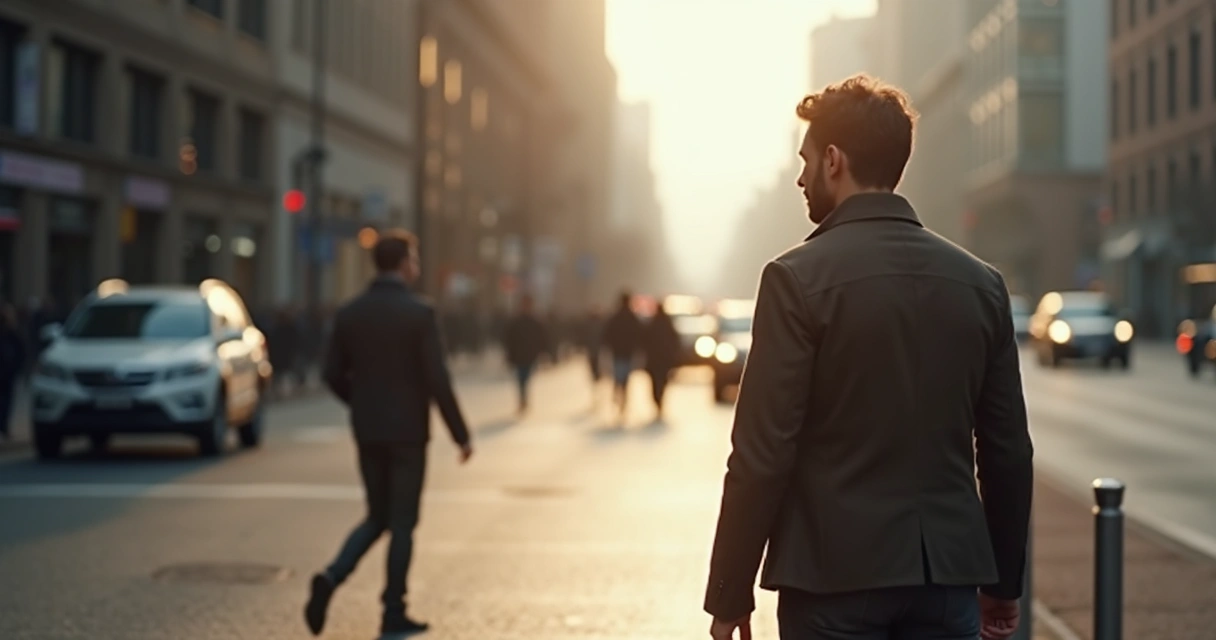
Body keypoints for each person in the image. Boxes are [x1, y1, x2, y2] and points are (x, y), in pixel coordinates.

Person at [704, 74, 1033, 640]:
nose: (801, 177)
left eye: (806, 160)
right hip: (945, 582)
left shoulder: (794, 280)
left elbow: (761, 454)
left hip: (833, 581)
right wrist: (1003, 585)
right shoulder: (981, 285)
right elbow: (1006, 449)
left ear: (834, 160)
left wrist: (730, 591)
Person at [306, 229, 474, 637]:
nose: (416, 266)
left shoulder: (349, 312)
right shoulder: (420, 313)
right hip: (408, 433)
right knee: (402, 523)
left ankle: (332, 577)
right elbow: (438, 378)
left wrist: (361, 402)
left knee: (376, 515)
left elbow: (331, 374)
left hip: (368, 429)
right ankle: (392, 611)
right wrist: (460, 434)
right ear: (402, 264)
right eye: (413, 259)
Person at [502, 294, 550, 414]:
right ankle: (523, 399)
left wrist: (543, 352)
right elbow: (509, 339)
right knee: (521, 378)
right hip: (519, 355)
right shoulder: (517, 322)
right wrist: (509, 354)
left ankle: (524, 398)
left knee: (525, 377)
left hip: (530, 355)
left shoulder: (535, 322)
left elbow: (542, 338)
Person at [601, 291, 643, 422]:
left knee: (618, 377)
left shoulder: (615, 317)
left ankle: (618, 398)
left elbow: (607, 334)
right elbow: (639, 335)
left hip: (618, 353)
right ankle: (622, 401)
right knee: (625, 380)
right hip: (627, 353)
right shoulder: (632, 317)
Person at [643, 304, 680, 420]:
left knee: (654, 383)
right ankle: (660, 401)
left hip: (654, 360)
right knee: (662, 382)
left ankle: (657, 401)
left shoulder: (652, 324)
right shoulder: (668, 324)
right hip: (664, 360)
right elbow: (675, 341)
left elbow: (645, 341)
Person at [0, 304, 25, 442]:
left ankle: (4, 427)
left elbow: (21, 351)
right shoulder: (10, 333)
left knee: (7, 402)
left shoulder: (12, 333)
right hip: (6, 373)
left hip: (8, 374)